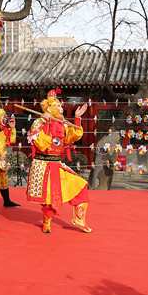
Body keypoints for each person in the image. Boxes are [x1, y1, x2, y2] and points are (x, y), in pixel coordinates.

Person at [25, 89, 92, 233]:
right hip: (42, 165)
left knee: (80, 185)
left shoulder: (63, 123)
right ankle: (47, 223)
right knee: (49, 197)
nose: (61, 109)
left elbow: (74, 136)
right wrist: (46, 124)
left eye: (61, 106)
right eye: (58, 106)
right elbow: (42, 144)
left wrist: (77, 118)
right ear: (49, 108)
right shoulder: (38, 123)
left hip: (57, 163)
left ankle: (79, 219)